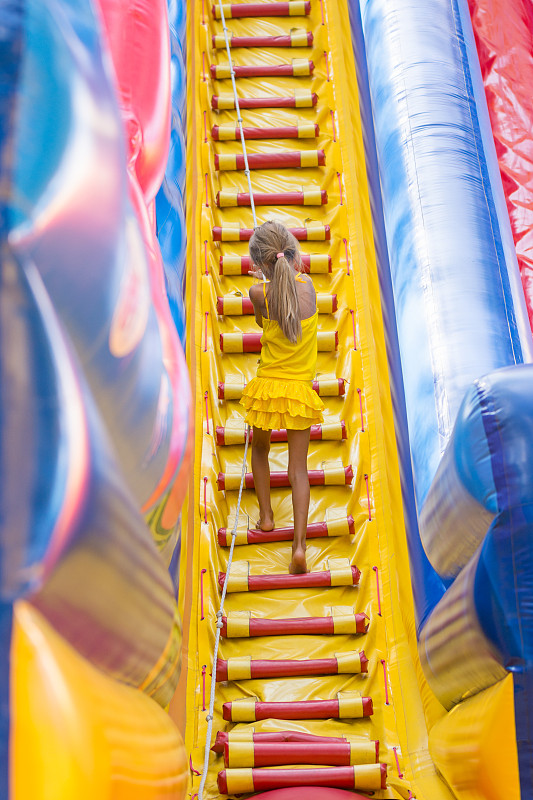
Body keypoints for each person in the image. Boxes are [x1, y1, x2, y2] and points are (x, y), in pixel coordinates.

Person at [240, 220, 325, 574]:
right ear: (292, 253)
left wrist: (262, 282)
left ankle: (266, 517)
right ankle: (300, 546)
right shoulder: (310, 287)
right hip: (300, 391)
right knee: (298, 470)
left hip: (269, 387)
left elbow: (263, 325)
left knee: (259, 448)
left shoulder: (259, 293)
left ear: (260, 264)